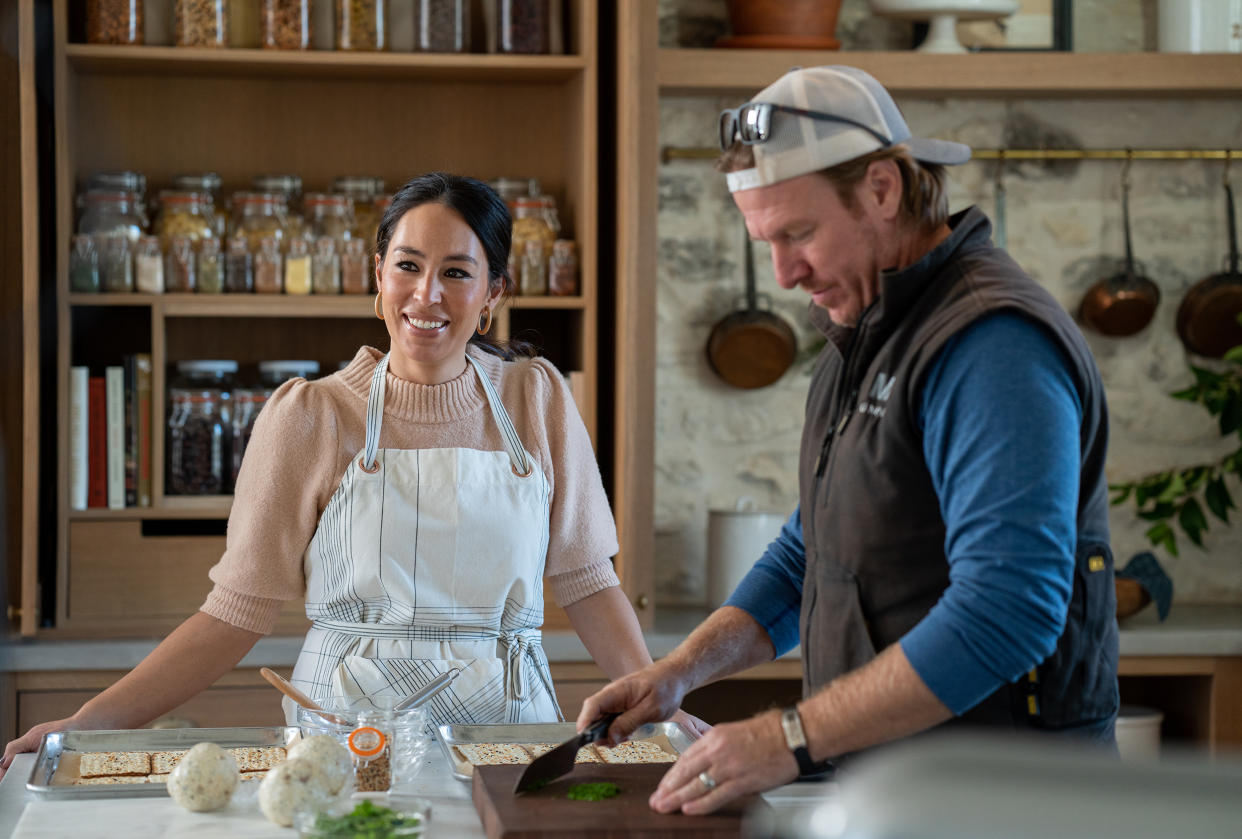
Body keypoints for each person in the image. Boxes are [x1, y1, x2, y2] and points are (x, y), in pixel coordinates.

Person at [2, 172, 705, 777]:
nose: (426, 294)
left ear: (493, 290)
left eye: (457, 272)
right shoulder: (312, 414)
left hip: (507, 731)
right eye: (408, 265)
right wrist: (85, 726)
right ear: (378, 276)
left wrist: (663, 705)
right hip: (345, 735)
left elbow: (588, 580)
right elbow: (233, 614)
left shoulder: (537, 398)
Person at [577, 66, 1119, 815]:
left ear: (883, 190)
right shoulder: (865, 333)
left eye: (798, 233)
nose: (784, 272)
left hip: (1008, 803)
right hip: (899, 794)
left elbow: (1009, 609)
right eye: (765, 240)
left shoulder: (992, 346)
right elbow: (812, 553)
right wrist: (679, 671)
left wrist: (786, 735)